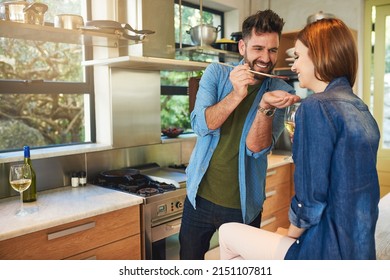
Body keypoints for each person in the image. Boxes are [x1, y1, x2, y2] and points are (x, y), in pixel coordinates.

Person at [218, 17, 381, 260]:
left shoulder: (315, 106)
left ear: (319, 55)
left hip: (324, 252)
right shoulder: (359, 107)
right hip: (359, 252)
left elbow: (311, 198)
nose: (294, 67)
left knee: (227, 233)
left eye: (298, 57)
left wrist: (291, 233)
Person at [179, 9, 300, 260]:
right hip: (197, 199)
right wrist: (236, 94)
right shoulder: (216, 73)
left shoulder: (279, 90)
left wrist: (265, 106)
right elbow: (201, 126)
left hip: (243, 206)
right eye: (258, 49)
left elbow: (256, 149)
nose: (266, 58)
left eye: (272, 50)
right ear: (242, 46)